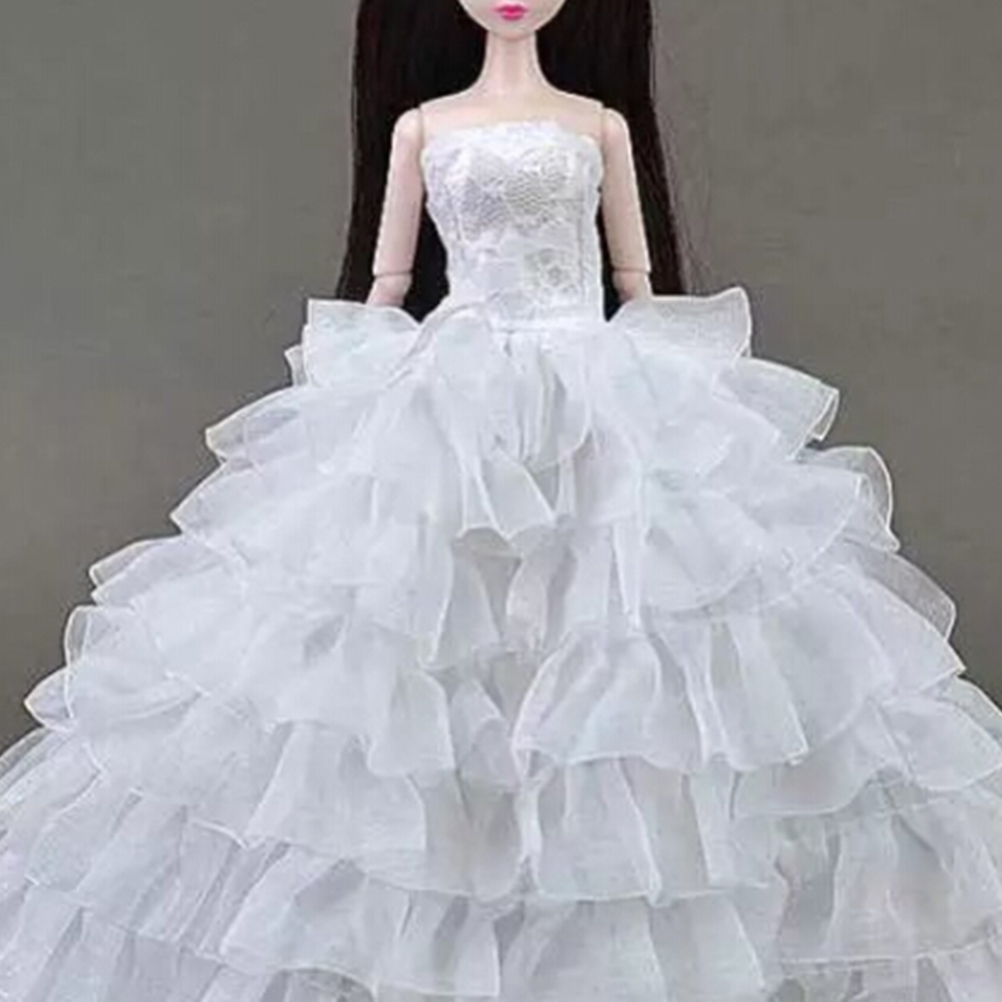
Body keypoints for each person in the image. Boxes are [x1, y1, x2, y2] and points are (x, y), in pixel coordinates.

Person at [1, 1, 999, 999]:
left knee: (626, 642)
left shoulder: (597, 124)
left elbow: (636, 277)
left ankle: (600, 912)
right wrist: (346, 387)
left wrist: (689, 389)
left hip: (596, 386)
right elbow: (390, 278)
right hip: (452, 388)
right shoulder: (424, 126)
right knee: (418, 647)